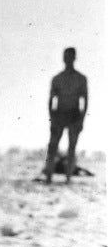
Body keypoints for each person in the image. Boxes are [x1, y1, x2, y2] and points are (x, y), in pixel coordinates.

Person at [43, 47, 89, 183]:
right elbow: (51, 100)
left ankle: (68, 178)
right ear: (63, 58)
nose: (68, 59)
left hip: (74, 115)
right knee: (52, 146)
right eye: (66, 56)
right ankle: (48, 176)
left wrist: (81, 119)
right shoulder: (57, 78)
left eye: (70, 56)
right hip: (59, 115)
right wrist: (52, 118)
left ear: (74, 58)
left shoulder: (81, 79)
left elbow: (85, 100)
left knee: (72, 147)